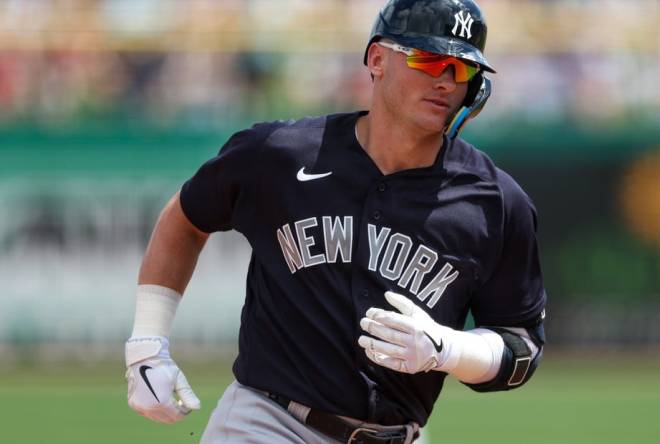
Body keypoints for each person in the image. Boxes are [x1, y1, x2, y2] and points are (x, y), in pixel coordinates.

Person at [124, 0, 547, 442]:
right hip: (268, 423)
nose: (445, 80)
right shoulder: (281, 153)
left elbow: (521, 348)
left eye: (461, 70)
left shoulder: (496, 202)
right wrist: (147, 343)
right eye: (429, 59)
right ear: (377, 59)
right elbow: (187, 217)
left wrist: (448, 349)